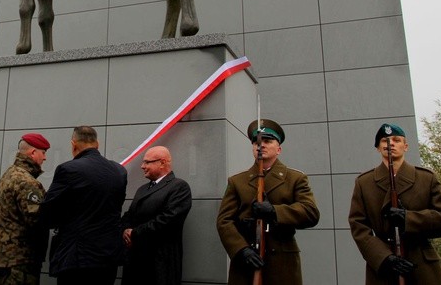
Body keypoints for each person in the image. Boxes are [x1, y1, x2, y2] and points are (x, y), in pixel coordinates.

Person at [348, 123, 441, 284]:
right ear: (378, 148)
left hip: (422, 265)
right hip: (383, 267)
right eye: (384, 141)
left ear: (405, 146)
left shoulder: (426, 178)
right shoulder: (364, 183)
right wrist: (384, 258)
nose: (390, 143)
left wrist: (408, 218)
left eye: (396, 140)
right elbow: (358, 227)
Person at [216, 119, 320, 285]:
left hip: (282, 263)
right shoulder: (237, 181)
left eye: (267, 141)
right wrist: (241, 249)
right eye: (256, 142)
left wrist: (274, 211)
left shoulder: (295, 179)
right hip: (246, 261)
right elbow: (224, 221)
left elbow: (310, 212)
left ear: (279, 149)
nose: (261, 145)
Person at [40, 125, 127, 285]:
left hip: (77, 258)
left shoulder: (69, 169)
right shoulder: (119, 171)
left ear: (73, 144)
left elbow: (48, 213)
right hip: (108, 257)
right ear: (97, 144)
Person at [120, 146, 192, 285]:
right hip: (135, 262)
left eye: (147, 162)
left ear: (162, 162)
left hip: (160, 264)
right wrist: (124, 230)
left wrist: (134, 233)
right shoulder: (142, 189)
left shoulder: (179, 187)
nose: (142, 166)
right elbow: (129, 215)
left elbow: (168, 220)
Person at [0, 133, 51, 285]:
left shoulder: (9, 174)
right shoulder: (26, 182)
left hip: (4, 260)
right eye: (43, 153)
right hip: (20, 264)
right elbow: (38, 219)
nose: (44, 158)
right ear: (33, 153)